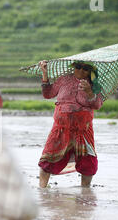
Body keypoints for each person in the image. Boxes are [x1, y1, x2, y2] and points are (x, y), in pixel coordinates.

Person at [37, 60, 103, 188]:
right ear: (74, 68)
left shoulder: (94, 86)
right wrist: (45, 74)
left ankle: (85, 191)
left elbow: (97, 105)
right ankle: (42, 189)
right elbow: (47, 94)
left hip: (83, 130)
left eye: (85, 69)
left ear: (90, 71)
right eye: (78, 67)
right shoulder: (63, 80)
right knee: (47, 159)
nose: (81, 71)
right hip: (60, 128)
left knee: (88, 162)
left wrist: (89, 92)